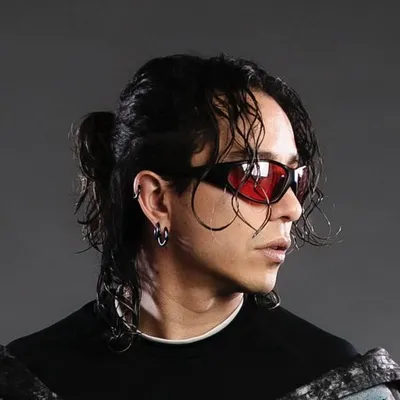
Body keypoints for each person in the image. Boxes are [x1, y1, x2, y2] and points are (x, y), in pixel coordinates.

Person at [1, 54, 399, 400]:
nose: (292, 208)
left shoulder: (337, 384)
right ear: (157, 199)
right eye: (257, 175)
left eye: (296, 178)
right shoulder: (29, 380)